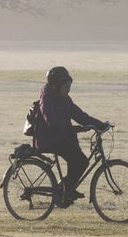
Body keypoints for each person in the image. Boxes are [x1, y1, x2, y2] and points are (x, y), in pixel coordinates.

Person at [33, 66, 109, 207]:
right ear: (56, 86)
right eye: (66, 87)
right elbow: (50, 119)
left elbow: (79, 115)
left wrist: (99, 125)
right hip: (48, 139)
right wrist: (72, 128)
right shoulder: (47, 97)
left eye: (69, 86)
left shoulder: (64, 98)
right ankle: (66, 190)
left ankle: (66, 189)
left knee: (81, 161)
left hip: (61, 137)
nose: (68, 90)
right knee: (79, 160)